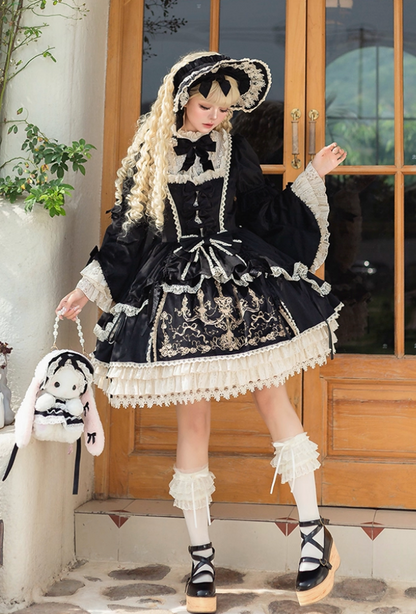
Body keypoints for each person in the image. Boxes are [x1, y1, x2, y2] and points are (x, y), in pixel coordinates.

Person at [57, 51, 347, 612]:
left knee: (272, 396)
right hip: (175, 291)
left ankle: (315, 535)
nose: (215, 116)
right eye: (206, 105)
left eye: (225, 108)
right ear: (181, 99)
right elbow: (128, 232)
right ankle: (201, 559)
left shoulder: (234, 150)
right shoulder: (149, 154)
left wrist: (312, 175)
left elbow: (263, 213)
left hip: (240, 283)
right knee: (192, 419)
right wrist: (87, 289)